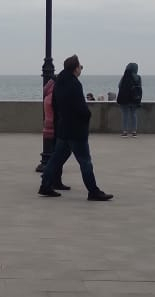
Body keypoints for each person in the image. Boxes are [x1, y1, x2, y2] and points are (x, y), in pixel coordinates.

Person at [38, 54, 113, 201]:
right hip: (76, 130)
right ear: (75, 68)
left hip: (63, 129)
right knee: (85, 161)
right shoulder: (74, 84)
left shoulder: (58, 82)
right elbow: (80, 107)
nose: (81, 69)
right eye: (80, 67)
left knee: (55, 160)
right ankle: (93, 191)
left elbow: (55, 105)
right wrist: (87, 115)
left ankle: (45, 186)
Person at [42, 77, 68, 191]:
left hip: (48, 128)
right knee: (58, 156)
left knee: (56, 155)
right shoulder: (54, 96)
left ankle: (55, 180)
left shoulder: (47, 95)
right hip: (55, 128)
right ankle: (52, 179)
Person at [116, 62, 143, 137]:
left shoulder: (124, 76)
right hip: (135, 98)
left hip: (125, 98)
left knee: (125, 115)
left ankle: (125, 131)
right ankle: (134, 131)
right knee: (134, 114)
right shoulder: (138, 77)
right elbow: (140, 87)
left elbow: (119, 86)